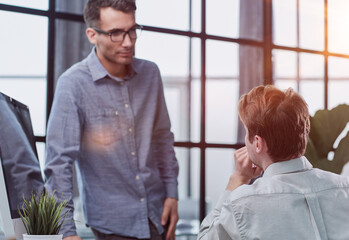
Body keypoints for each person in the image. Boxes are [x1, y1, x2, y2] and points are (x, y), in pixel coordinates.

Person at [44, 1, 179, 240]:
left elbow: (162, 139)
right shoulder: (73, 84)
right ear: (92, 35)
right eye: (116, 33)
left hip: (158, 217)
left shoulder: (151, 74)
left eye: (132, 30)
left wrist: (172, 193)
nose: (128, 42)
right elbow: (59, 164)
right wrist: (66, 232)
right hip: (111, 226)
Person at [198, 85, 349, 240]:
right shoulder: (345, 188)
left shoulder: (243, 204)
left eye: (246, 132)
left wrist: (237, 179)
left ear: (257, 143)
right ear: (304, 134)